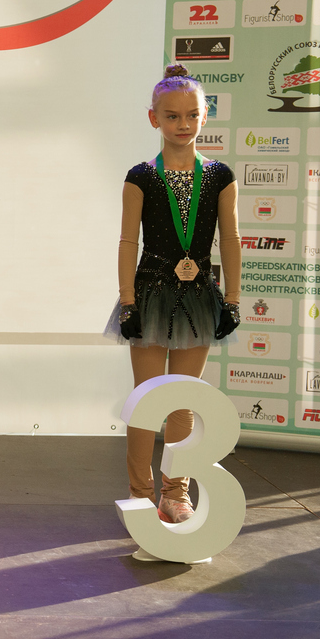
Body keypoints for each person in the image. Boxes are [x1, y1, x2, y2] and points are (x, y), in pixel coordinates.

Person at [105, 64, 241, 525]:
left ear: (205, 116)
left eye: (192, 115)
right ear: (154, 118)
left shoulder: (220, 175)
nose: (183, 124)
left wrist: (233, 299)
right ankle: (140, 493)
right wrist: (127, 300)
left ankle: (175, 493)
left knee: (183, 399)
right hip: (149, 295)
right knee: (147, 400)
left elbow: (230, 240)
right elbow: (128, 241)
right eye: (172, 116)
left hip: (199, 297)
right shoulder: (141, 176)